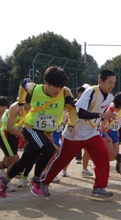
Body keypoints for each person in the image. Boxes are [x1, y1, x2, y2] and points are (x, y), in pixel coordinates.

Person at [0, 66, 77, 198]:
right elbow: (23, 82)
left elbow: (72, 110)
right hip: (31, 128)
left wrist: (71, 124)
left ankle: (3, 181)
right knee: (49, 149)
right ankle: (36, 180)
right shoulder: (34, 89)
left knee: (26, 160)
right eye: (53, 86)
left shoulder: (65, 92)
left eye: (60, 86)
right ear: (46, 82)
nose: (56, 90)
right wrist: (21, 102)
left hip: (47, 132)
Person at [40, 69, 117, 198]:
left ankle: (99, 187)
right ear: (100, 81)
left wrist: (104, 119)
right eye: (109, 82)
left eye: (114, 83)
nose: (112, 85)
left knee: (103, 155)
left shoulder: (110, 97)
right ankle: (44, 181)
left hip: (92, 133)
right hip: (74, 133)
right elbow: (80, 112)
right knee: (61, 160)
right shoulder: (91, 92)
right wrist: (101, 115)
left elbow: (100, 115)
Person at [0, 96, 32, 190]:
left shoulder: (32, 107)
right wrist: (24, 136)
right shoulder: (16, 107)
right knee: (16, 161)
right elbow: (9, 128)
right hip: (5, 134)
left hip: (15, 135)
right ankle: (5, 181)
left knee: (7, 162)